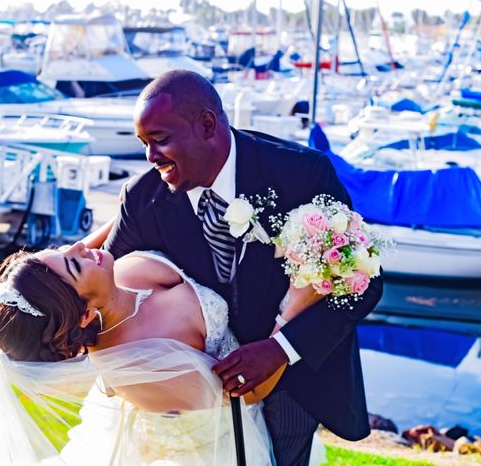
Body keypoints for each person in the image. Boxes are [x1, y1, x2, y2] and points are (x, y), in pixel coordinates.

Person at [88, 69, 384, 465]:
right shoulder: (142, 199)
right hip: (198, 399)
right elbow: (99, 280)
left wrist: (280, 349)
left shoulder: (301, 174)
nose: (150, 157)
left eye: (160, 141)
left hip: (292, 382)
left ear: (207, 125)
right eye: (144, 144)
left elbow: (363, 284)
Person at [0, 242, 276, 465]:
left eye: (62, 250)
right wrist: (296, 310)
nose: (81, 245)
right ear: (84, 316)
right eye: (75, 265)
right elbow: (249, 393)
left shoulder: (110, 274)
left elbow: (129, 209)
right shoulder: (142, 366)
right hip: (215, 447)